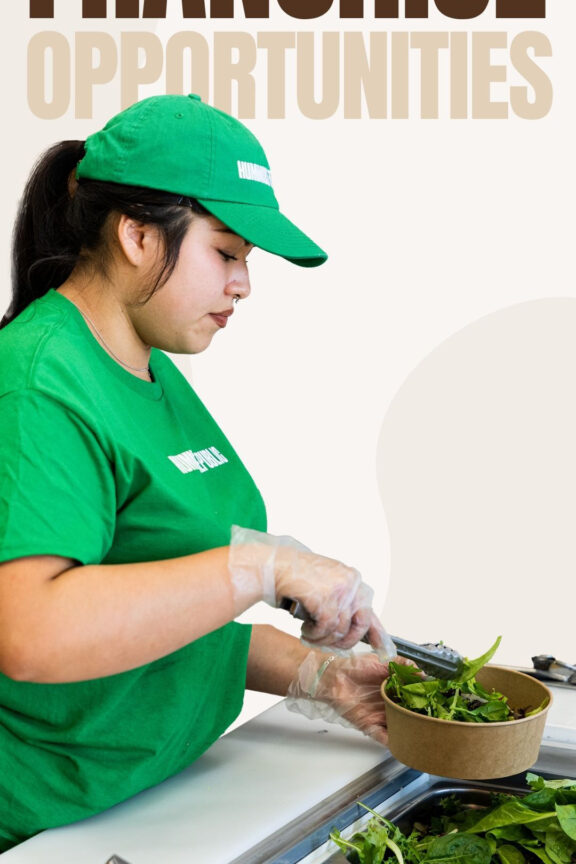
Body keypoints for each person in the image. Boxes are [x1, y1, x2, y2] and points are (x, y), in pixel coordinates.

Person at [0, 94, 393, 851]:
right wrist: (256, 567)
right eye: (228, 252)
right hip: (44, 826)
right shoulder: (38, 381)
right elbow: (31, 629)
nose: (244, 284)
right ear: (139, 235)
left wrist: (320, 677)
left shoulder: (145, 361)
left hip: (158, 796)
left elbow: (148, 608)